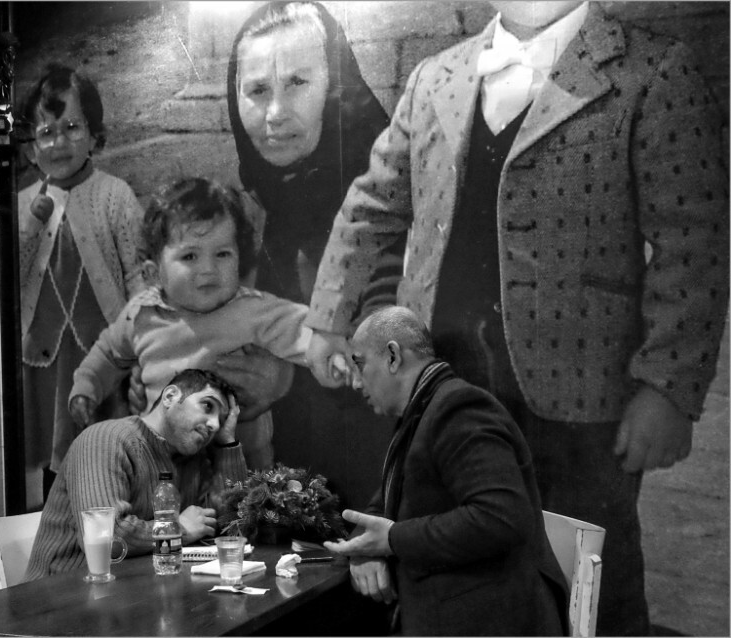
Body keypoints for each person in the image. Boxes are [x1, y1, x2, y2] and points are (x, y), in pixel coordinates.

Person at [304, 2, 729, 635]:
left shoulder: (654, 70)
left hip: (581, 400)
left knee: (587, 582)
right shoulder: (434, 78)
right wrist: (330, 317)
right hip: (445, 387)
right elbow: (373, 205)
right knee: (451, 570)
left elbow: (695, 243)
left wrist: (668, 386)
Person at [219, 0, 404, 507]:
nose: (275, 114)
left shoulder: (389, 204)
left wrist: (282, 373)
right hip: (279, 489)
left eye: (297, 83)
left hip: (381, 485)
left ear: (334, 88)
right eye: (257, 90)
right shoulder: (236, 215)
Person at [324, 306, 568, 636]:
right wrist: (366, 553)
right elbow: (381, 508)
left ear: (393, 356)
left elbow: (501, 518)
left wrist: (393, 541)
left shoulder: (458, 409)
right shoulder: (422, 413)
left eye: (360, 364)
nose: (355, 382)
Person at [70, 177, 324, 471]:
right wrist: (86, 388)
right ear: (154, 273)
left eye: (222, 254)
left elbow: (306, 330)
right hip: (164, 465)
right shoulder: (141, 314)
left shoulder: (251, 309)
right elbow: (108, 353)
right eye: (190, 256)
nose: (208, 269)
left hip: (241, 465)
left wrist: (341, 351)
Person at [17, 64, 147, 508]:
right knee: (53, 461)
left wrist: (144, 352)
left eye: (72, 127)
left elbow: (137, 278)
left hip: (102, 355)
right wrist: (31, 226)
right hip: (43, 359)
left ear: (94, 134)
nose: (58, 143)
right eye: (46, 131)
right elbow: (11, 278)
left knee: (105, 457)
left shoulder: (114, 195)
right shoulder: (21, 204)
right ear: (31, 146)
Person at [25, 369, 246, 580]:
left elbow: (234, 530)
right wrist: (180, 529)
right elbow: (109, 538)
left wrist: (227, 444)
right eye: (208, 406)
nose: (215, 424)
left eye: (222, 419)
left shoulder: (193, 460)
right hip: (61, 599)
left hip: (138, 594)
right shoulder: (106, 440)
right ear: (170, 396)